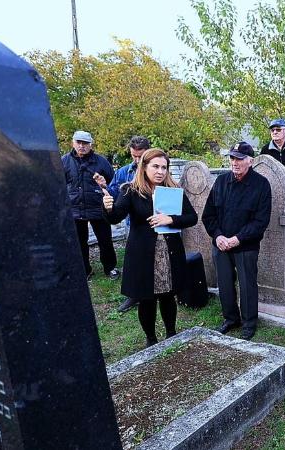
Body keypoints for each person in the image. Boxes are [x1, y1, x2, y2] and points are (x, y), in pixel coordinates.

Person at [101, 149, 197, 347]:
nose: (160, 171)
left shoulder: (173, 190)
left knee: (168, 295)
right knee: (147, 298)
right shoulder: (131, 191)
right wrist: (108, 207)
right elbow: (115, 217)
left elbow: (192, 217)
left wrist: (170, 219)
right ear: (144, 167)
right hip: (143, 254)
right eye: (155, 166)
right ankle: (151, 339)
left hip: (169, 253)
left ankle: (171, 333)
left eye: (164, 167)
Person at [202, 142, 272, 341]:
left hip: (246, 245)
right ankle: (230, 318)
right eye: (232, 158)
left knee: (247, 284)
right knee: (224, 283)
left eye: (240, 158)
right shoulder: (221, 182)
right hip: (222, 244)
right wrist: (218, 236)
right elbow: (209, 215)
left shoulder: (261, 185)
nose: (235, 162)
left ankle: (249, 322)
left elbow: (261, 221)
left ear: (250, 161)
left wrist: (237, 239)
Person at [95, 135, 151, 313]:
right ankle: (135, 294)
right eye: (133, 156)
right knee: (135, 258)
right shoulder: (123, 172)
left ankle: (159, 288)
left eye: (140, 156)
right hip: (131, 222)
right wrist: (105, 187)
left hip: (154, 221)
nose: (136, 160)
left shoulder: (157, 169)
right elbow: (113, 192)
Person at [61, 130, 119, 281]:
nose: (81, 146)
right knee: (79, 242)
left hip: (98, 208)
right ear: (73, 143)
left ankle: (110, 267)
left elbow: (113, 182)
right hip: (74, 209)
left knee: (105, 240)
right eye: (78, 142)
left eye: (85, 143)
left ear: (90, 145)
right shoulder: (64, 161)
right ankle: (85, 270)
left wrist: (105, 187)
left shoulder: (101, 161)